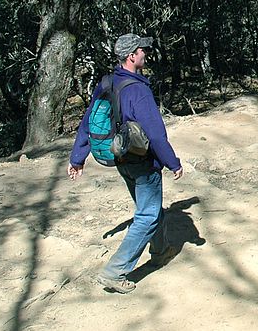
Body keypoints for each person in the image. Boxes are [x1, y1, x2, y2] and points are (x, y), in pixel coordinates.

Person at [67, 33, 184, 293]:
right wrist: (172, 162)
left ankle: (161, 250)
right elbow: (155, 134)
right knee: (148, 215)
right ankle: (115, 271)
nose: (146, 53)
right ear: (132, 56)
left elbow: (88, 120)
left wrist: (78, 158)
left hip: (120, 158)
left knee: (149, 208)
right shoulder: (137, 90)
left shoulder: (109, 82)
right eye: (142, 50)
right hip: (142, 161)